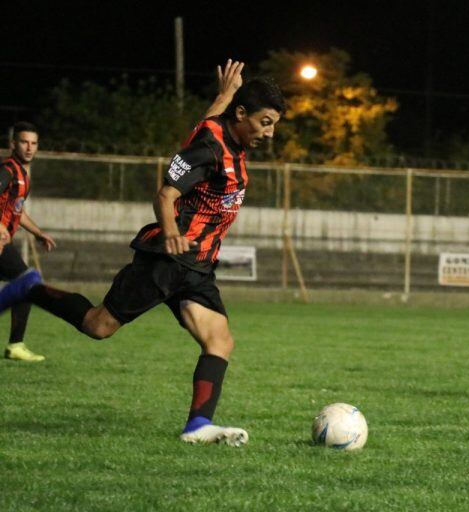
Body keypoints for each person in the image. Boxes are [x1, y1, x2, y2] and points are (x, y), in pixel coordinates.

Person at [0, 60, 285, 446]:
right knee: (98, 326)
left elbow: (210, 118)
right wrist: (170, 233)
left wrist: (225, 93)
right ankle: (29, 289)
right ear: (241, 115)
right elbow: (166, 194)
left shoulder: (218, 130)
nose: (270, 133)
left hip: (197, 266)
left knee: (220, 341)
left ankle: (198, 427)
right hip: (167, 260)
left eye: (274, 124)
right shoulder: (209, 150)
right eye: (265, 122)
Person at [0, 122, 57, 362]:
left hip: (4, 243)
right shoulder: (8, 170)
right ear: (13, 144)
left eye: (34, 143)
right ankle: (15, 344)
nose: (29, 148)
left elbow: (17, 211)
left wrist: (38, 232)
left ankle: (16, 344)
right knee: (27, 282)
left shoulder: (23, 175)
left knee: (26, 284)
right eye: (24, 142)